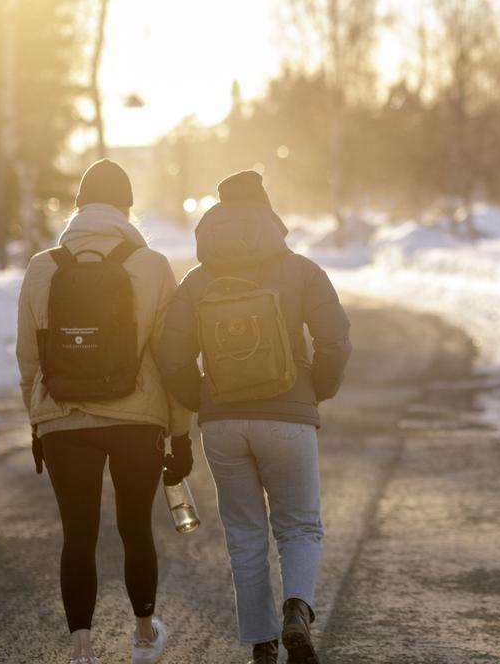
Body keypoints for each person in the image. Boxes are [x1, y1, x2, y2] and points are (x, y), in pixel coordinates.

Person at [157, 170, 352, 664]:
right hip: (289, 416)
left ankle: (261, 644)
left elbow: (172, 354)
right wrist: (316, 389)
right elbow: (335, 339)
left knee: (244, 532)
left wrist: (202, 400)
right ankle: (297, 611)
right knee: (299, 524)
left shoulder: (197, 281)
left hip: (223, 423)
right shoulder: (302, 270)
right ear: (268, 214)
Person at [16, 159, 194, 664]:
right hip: (136, 422)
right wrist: (180, 434)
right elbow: (172, 357)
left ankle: (81, 649)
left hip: (63, 422)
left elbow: (29, 357)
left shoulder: (41, 267)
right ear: (126, 209)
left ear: (77, 209)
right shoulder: (153, 266)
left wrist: (39, 419)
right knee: (136, 526)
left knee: (79, 534)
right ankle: (142, 637)